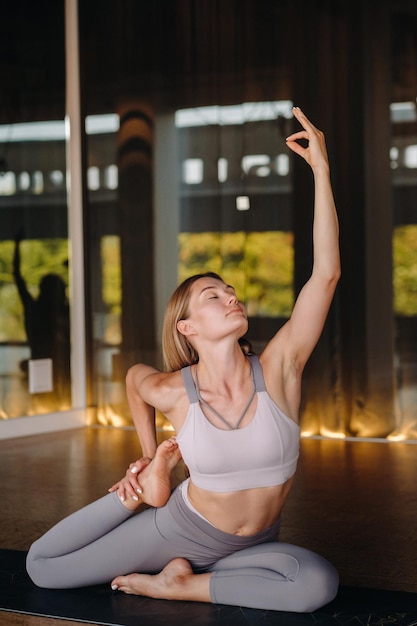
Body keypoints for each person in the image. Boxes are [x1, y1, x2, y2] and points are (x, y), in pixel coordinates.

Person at [26, 107, 341, 613]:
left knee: (317, 585)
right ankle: (150, 517)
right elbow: (133, 379)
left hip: (252, 546)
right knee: (42, 568)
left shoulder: (280, 368)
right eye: (214, 295)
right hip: (180, 529)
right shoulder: (176, 390)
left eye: (231, 290)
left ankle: (181, 585)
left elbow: (324, 275)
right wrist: (151, 462)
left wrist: (321, 171)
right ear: (187, 328)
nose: (231, 296)